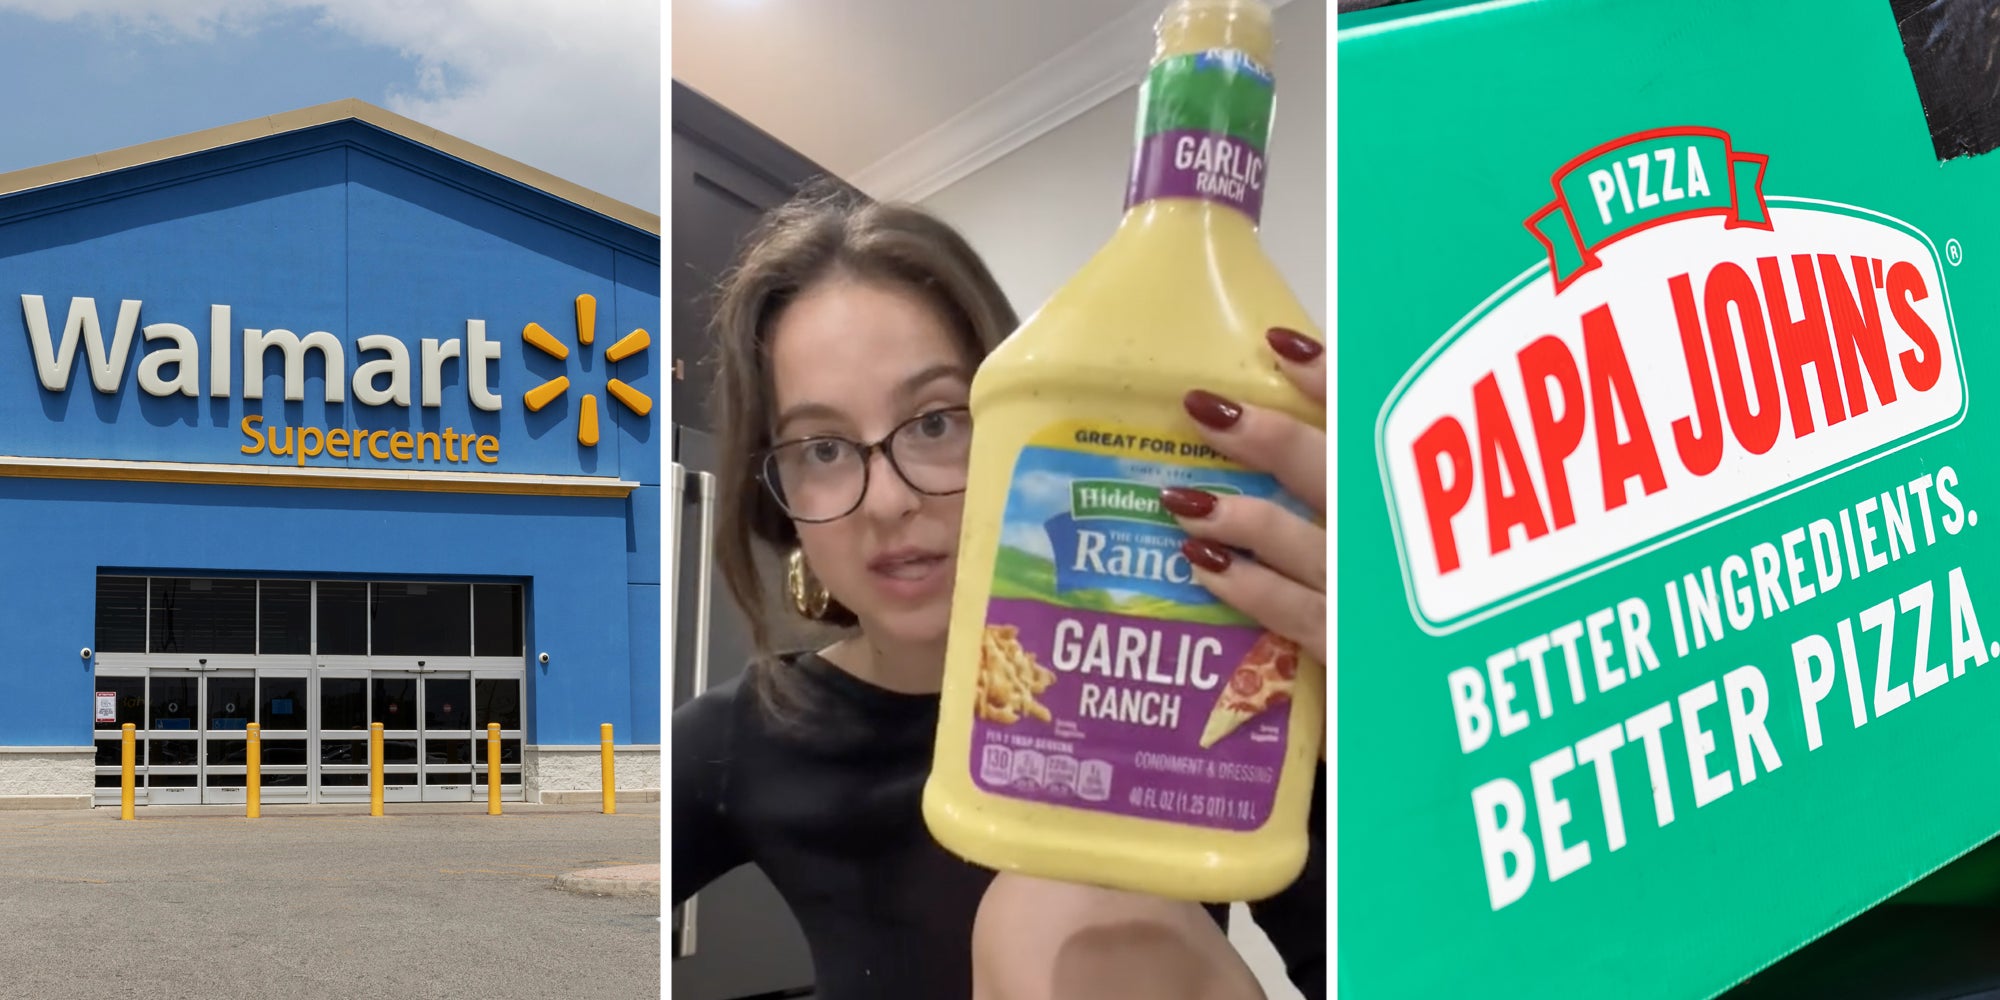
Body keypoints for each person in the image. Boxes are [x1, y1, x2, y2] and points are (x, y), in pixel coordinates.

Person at [671, 180, 1327, 1000]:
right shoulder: (743, 735)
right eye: (822, 449)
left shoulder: (1194, 683)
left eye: (935, 422)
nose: (888, 501)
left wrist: (1399, 733)